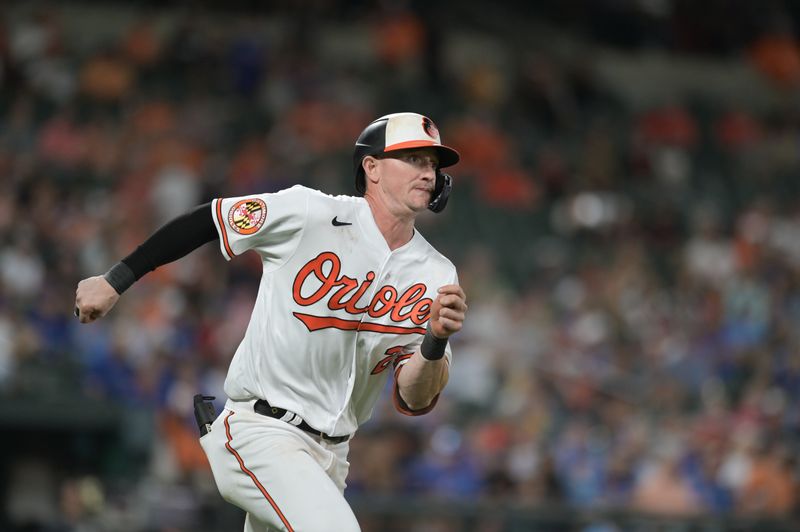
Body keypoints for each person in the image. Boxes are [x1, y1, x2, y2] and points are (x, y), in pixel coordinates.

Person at [74, 112, 468, 531]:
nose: (427, 172)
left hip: (332, 459)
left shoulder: (436, 274)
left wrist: (435, 340)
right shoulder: (309, 213)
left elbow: (414, 399)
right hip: (261, 431)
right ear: (371, 167)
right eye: (413, 158)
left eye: (431, 164)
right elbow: (209, 219)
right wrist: (115, 279)